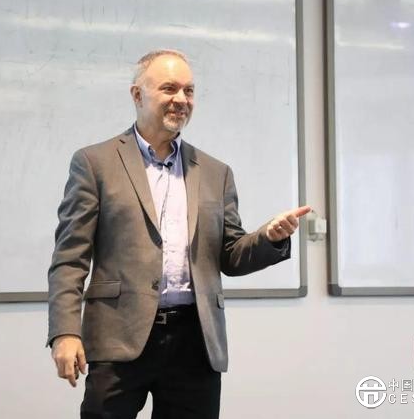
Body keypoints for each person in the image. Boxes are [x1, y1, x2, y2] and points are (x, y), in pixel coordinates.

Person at [47, 49, 310, 419]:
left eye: (189, 90)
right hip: (119, 336)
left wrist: (270, 237)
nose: (182, 99)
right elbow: (69, 258)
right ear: (137, 95)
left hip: (195, 340)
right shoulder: (95, 163)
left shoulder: (215, 172)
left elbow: (231, 256)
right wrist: (65, 332)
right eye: (169, 88)